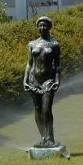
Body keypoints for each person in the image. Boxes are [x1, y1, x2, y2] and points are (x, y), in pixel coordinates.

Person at [23, 16, 61, 148]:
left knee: (46, 109)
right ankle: (43, 137)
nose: (42, 28)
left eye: (45, 25)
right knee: (38, 109)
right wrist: (25, 80)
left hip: (48, 81)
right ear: (37, 27)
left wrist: (58, 80)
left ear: (49, 27)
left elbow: (58, 65)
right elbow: (29, 64)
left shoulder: (54, 44)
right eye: (40, 25)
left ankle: (50, 138)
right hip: (34, 81)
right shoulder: (32, 44)